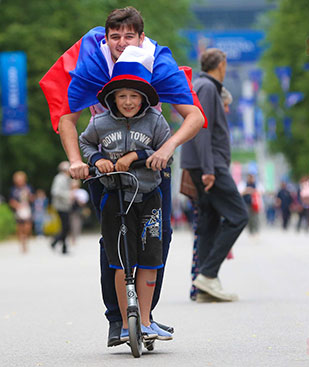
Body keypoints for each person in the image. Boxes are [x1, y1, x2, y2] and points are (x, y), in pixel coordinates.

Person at [40, 6, 205, 346]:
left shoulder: (157, 61)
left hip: (151, 164)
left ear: (140, 38)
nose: (121, 42)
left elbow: (194, 117)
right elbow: (68, 119)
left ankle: (145, 317)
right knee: (113, 240)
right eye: (115, 36)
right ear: (106, 37)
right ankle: (117, 320)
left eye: (129, 36)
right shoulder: (94, 61)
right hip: (107, 168)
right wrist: (76, 160)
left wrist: (167, 148)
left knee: (160, 238)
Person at [79, 45, 174, 341]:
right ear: (112, 98)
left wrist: (136, 155)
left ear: (144, 97)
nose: (129, 101)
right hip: (115, 198)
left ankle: (145, 321)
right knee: (121, 260)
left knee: (150, 259)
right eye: (122, 96)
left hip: (149, 197)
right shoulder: (99, 123)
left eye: (134, 96)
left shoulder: (156, 122)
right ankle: (123, 322)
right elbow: (85, 145)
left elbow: (165, 151)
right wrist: (97, 160)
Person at [181, 48, 248, 302]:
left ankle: (203, 286)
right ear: (221, 64)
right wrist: (209, 169)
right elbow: (202, 129)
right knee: (238, 215)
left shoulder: (199, 85)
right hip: (210, 165)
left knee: (209, 220)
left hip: (201, 164)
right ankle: (208, 275)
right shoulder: (208, 87)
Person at [50, 161, 73, 254]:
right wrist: (68, 195)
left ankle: (59, 243)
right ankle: (61, 245)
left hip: (65, 206)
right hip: (61, 206)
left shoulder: (66, 179)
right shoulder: (60, 178)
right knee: (65, 226)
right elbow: (55, 191)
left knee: (65, 226)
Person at [9, 171, 34, 253]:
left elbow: (32, 198)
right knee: (20, 227)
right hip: (18, 210)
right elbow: (11, 201)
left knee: (28, 226)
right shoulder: (13, 189)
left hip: (27, 209)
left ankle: (25, 238)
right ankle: (22, 243)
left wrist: (30, 197)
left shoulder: (28, 188)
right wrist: (17, 205)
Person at [69, 179, 89, 246]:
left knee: (76, 225)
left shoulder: (81, 192)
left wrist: (77, 198)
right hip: (69, 211)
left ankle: (74, 238)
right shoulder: (68, 192)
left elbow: (83, 202)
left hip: (77, 211)